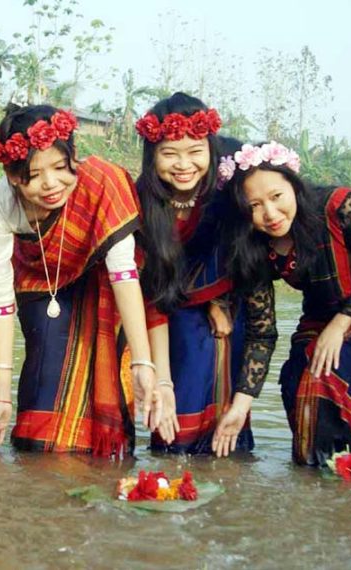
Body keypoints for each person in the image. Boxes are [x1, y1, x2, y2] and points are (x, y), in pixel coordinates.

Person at [213, 141, 351, 466]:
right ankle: (318, 475)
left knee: (336, 377)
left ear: (294, 186)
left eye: (277, 197)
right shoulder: (253, 248)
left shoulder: (339, 205)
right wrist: (241, 405)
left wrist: (340, 325)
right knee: (295, 378)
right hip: (325, 308)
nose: (270, 214)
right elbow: (262, 333)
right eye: (254, 206)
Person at [0, 104, 159, 455]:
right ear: (13, 175)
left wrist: (142, 362)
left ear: (74, 156)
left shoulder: (101, 182)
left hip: (103, 287)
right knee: (40, 409)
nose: (51, 184)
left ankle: (104, 466)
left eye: (61, 168)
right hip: (37, 284)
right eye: (34, 174)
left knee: (105, 409)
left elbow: (123, 274)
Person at [133, 92, 253, 455]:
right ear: (152, 157)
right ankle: (168, 467)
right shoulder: (141, 203)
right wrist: (163, 380)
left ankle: (228, 471)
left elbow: (242, 258)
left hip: (228, 304)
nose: (183, 165)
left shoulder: (228, 189)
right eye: (170, 154)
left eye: (195, 152)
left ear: (211, 150)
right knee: (175, 407)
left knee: (225, 401)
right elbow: (151, 291)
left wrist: (216, 300)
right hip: (167, 310)